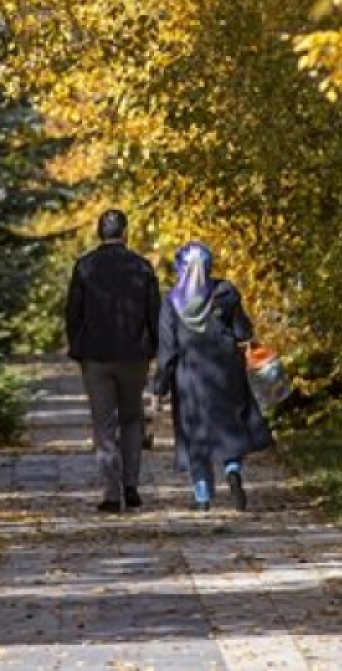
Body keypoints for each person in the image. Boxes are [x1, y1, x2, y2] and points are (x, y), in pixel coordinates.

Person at [150, 241, 273, 511]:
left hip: (190, 378)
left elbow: (168, 350)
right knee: (230, 427)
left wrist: (159, 388)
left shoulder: (171, 303)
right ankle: (232, 470)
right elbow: (242, 332)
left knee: (195, 435)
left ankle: (203, 495)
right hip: (226, 372)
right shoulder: (225, 292)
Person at [65, 208, 162, 513]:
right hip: (134, 355)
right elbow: (154, 313)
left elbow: (73, 312)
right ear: (125, 233)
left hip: (95, 356)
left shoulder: (85, 267)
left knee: (103, 423)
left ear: (99, 233)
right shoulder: (142, 267)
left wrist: (77, 346)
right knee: (132, 418)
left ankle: (111, 493)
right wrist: (154, 347)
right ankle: (131, 485)